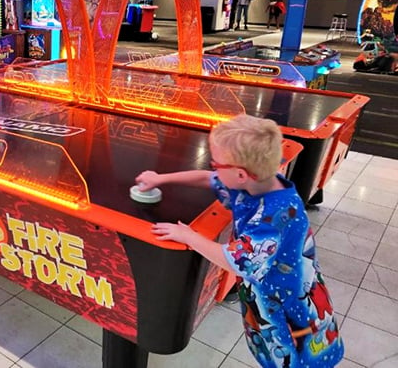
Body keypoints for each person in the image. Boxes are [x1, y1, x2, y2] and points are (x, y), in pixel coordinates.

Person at [135, 114, 344, 368]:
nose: (213, 168)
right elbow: (206, 178)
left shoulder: (274, 218)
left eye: (217, 164)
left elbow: (234, 261)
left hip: (291, 314)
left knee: (292, 361)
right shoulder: (257, 182)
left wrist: (188, 236)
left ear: (241, 174)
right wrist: (160, 179)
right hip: (271, 298)